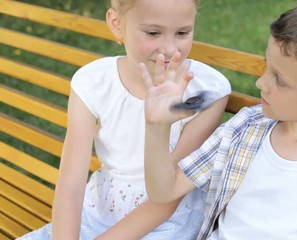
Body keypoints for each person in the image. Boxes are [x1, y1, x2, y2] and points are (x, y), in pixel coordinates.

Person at [142, 0, 297, 239]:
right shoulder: (245, 128)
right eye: (267, 67)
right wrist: (157, 127)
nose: (260, 83)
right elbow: (165, 191)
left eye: (279, 80)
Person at [17, 0, 230, 239]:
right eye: (153, 33)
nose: (170, 48)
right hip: (99, 209)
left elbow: (168, 197)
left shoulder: (205, 92)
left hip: (166, 219)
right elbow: (70, 186)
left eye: (182, 33)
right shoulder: (93, 83)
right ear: (117, 25)